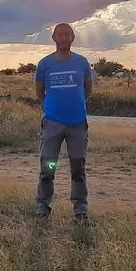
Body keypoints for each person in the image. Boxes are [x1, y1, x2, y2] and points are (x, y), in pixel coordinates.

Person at [33, 23, 94, 222]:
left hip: (77, 123)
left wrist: (74, 107)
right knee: (48, 167)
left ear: (73, 37)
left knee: (78, 168)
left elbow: (87, 90)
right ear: (54, 37)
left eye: (67, 35)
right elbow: (39, 92)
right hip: (53, 124)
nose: (64, 38)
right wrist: (53, 109)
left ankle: (80, 210)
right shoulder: (44, 64)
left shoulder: (82, 63)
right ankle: (43, 206)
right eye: (60, 35)